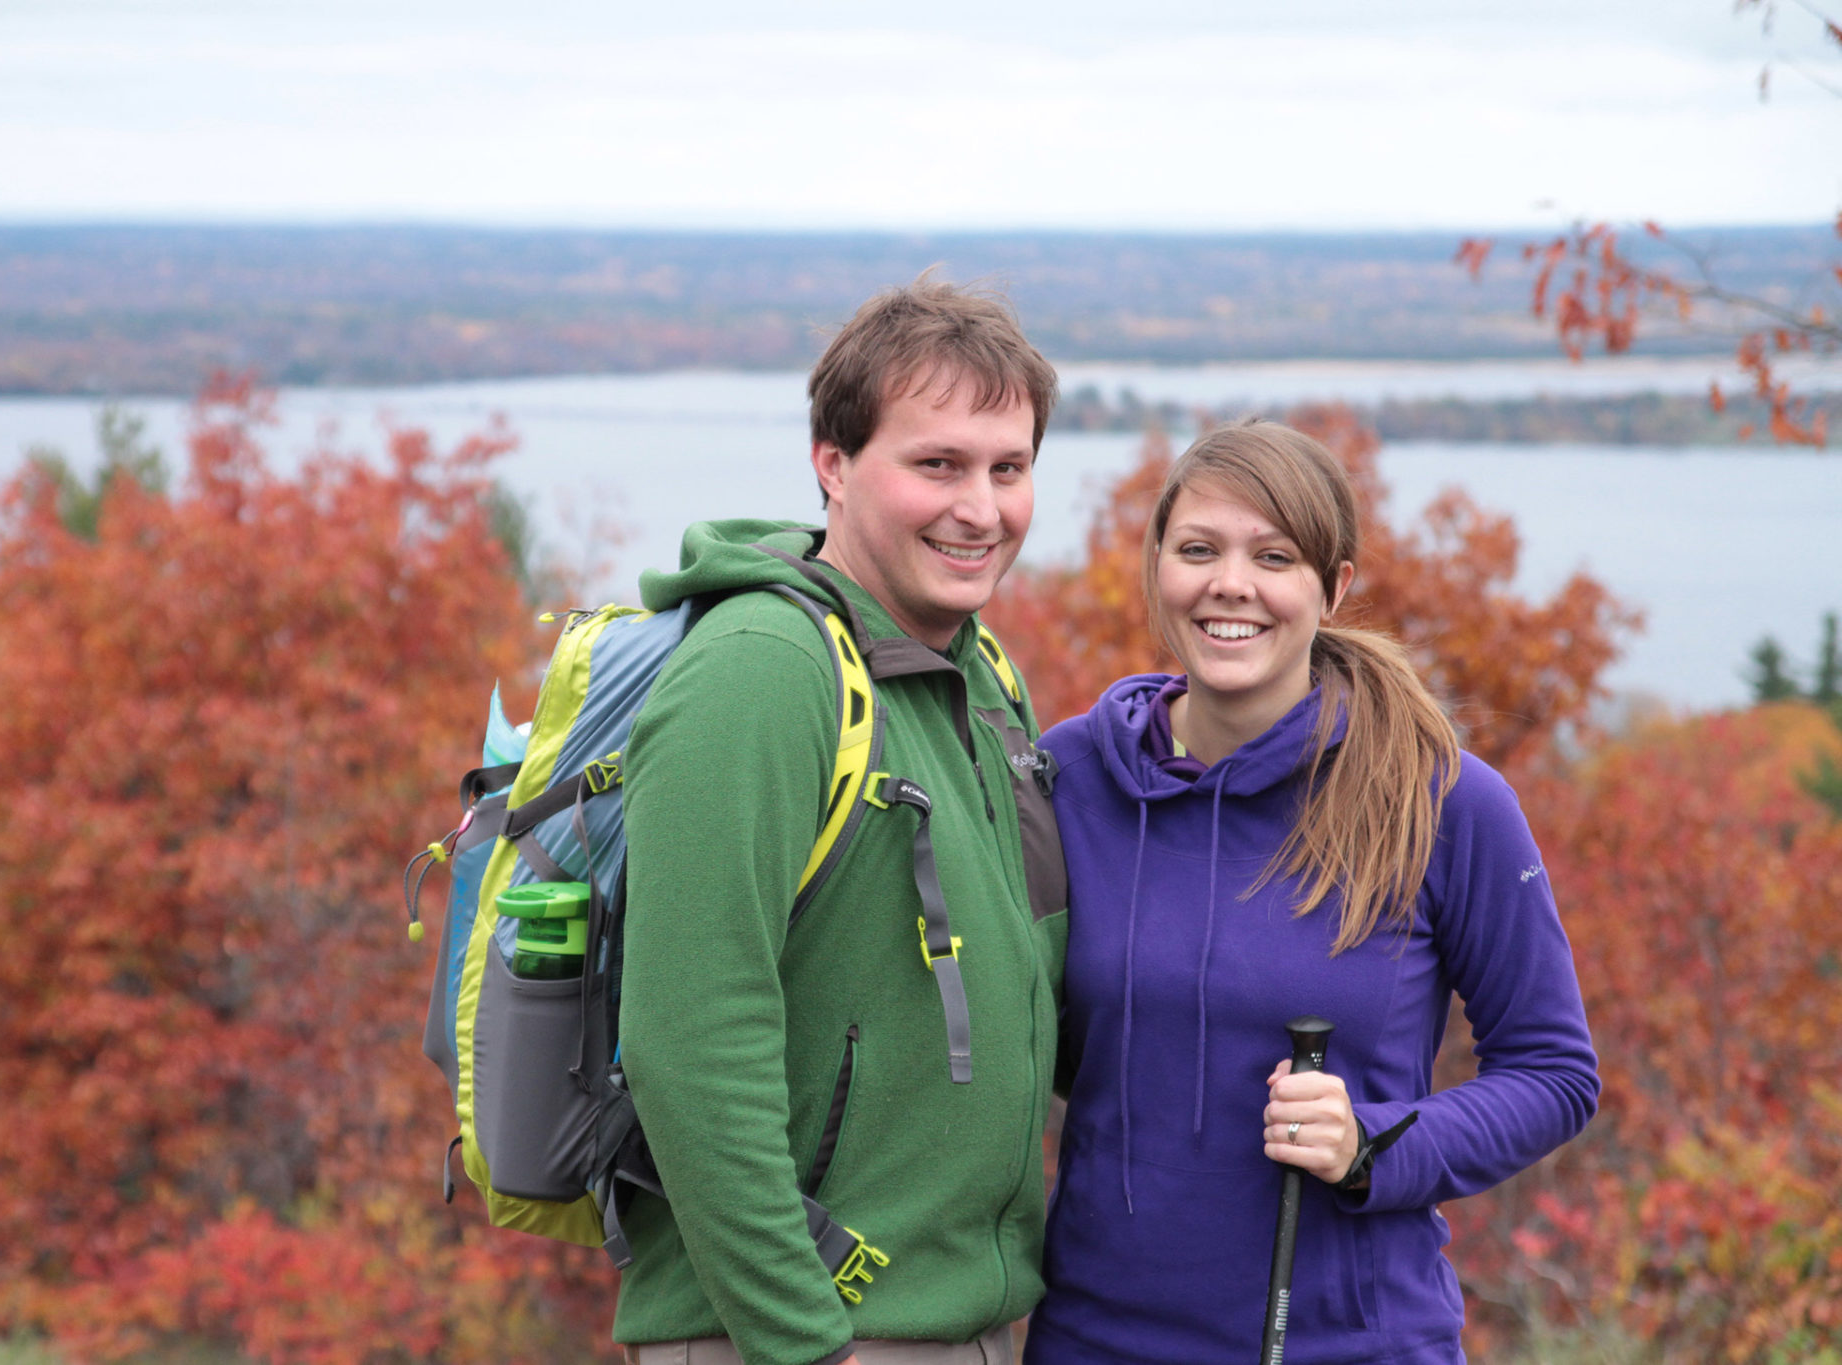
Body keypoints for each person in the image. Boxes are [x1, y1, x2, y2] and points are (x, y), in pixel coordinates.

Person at [1025, 421, 1600, 1365]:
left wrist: (1371, 1141)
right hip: (1096, 1338)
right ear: (1157, 567)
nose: (1231, 584)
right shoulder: (1069, 779)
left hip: (1352, 1344)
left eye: (1275, 556)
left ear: (1333, 588)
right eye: (1198, 549)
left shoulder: (1441, 799)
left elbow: (1554, 1073)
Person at [613, 277, 1068, 1365]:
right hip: (796, 1336)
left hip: (957, 1325)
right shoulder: (762, 675)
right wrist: (800, 1340)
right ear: (832, 464)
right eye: (937, 465)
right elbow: (689, 1038)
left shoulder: (976, 672)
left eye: (1008, 469)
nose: (981, 508)